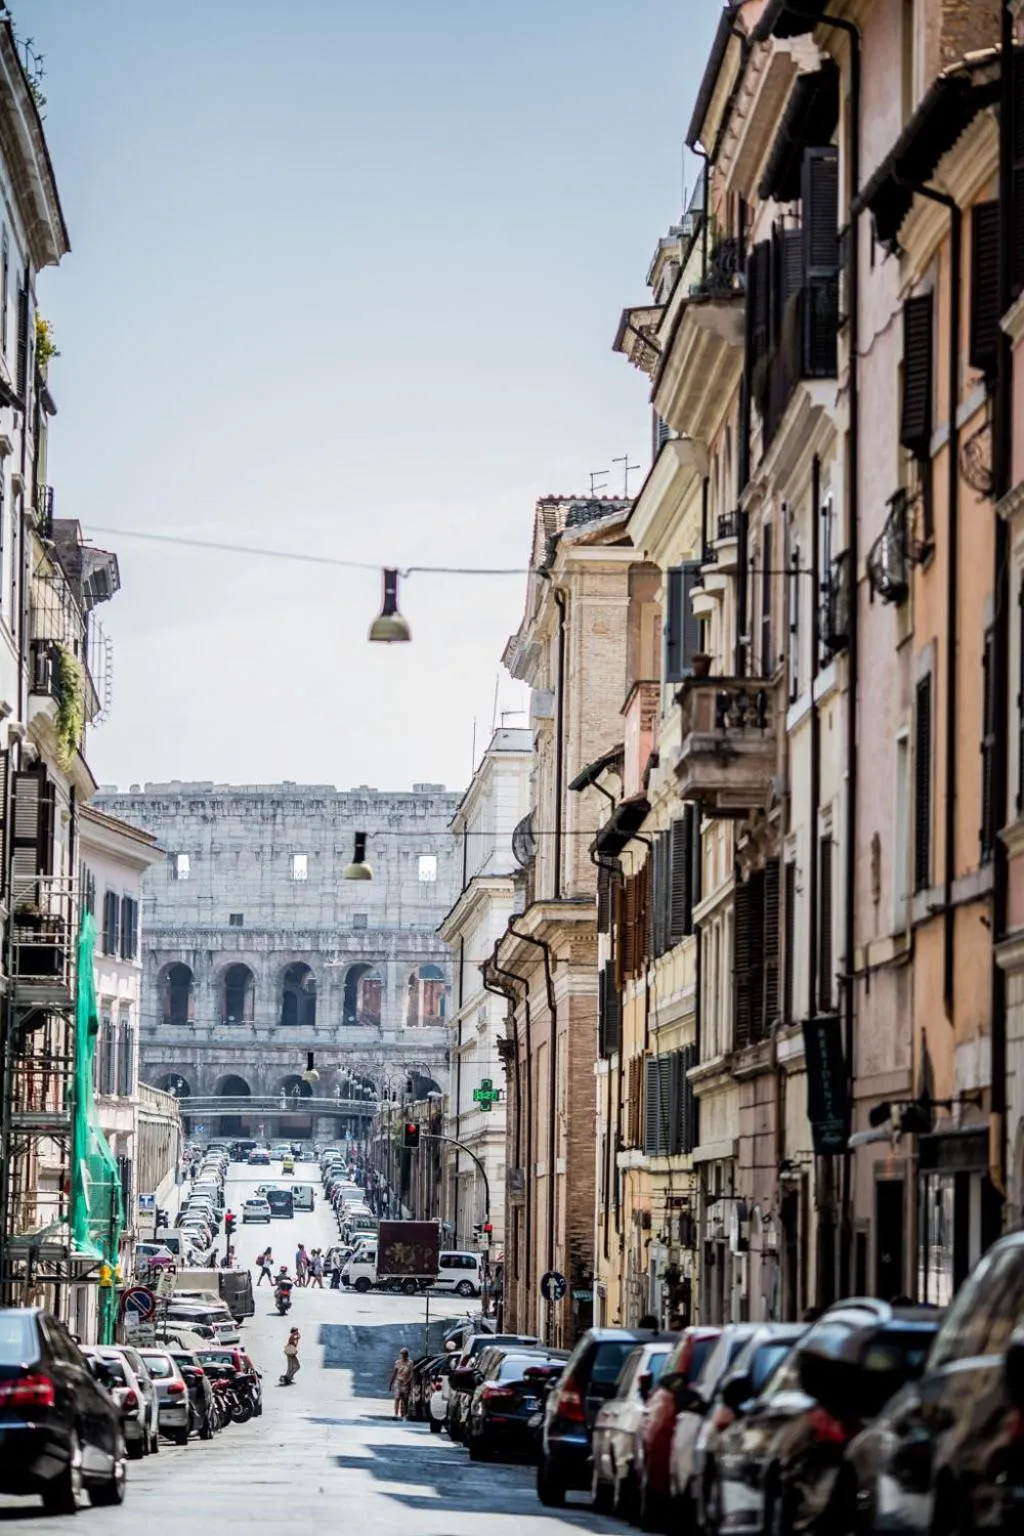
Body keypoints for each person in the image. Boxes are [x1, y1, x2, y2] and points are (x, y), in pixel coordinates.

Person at [389, 1347, 415, 1419]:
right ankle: (396, 1414)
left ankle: (404, 1414)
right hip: (398, 1382)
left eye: (405, 1354)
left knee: (405, 1400)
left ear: (407, 1355)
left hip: (406, 1383)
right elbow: (394, 1373)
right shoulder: (397, 1362)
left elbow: (411, 1374)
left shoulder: (410, 1363)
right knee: (397, 1398)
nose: (403, 1355)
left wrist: (408, 1381)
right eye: (402, 1354)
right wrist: (390, 1384)